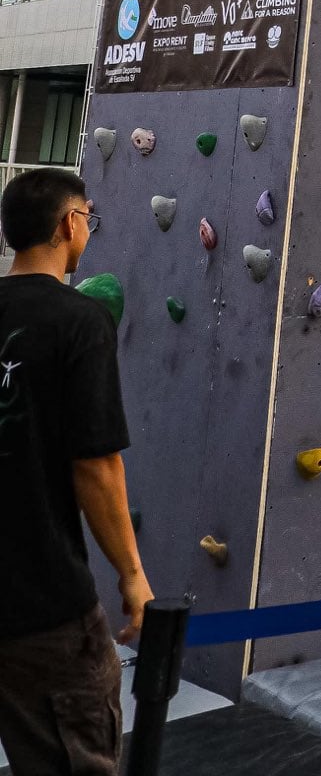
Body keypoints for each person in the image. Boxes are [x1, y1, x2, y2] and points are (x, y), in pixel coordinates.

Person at [0, 169, 152, 776]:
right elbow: (96, 467)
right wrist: (132, 576)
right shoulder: (79, 321)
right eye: (88, 215)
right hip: (44, 604)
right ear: (70, 224)